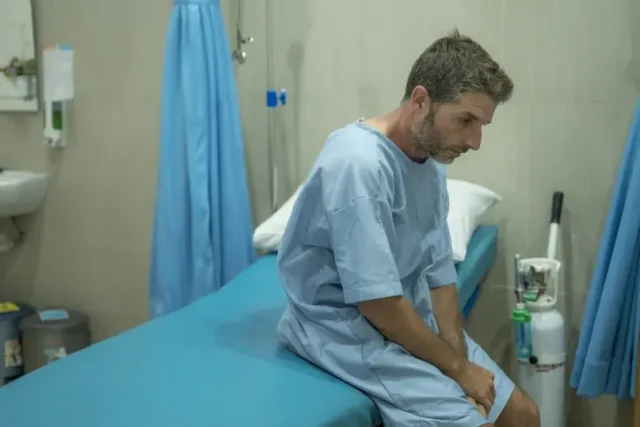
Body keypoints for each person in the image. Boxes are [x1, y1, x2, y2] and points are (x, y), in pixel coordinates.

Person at [276, 29, 540, 427]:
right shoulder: (358, 164)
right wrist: (456, 371)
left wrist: (459, 363)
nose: (475, 141)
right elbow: (377, 302)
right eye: (465, 120)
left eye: (482, 124)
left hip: (408, 318)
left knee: (523, 415)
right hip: (349, 331)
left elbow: (438, 273)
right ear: (421, 100)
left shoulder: (429, 164)